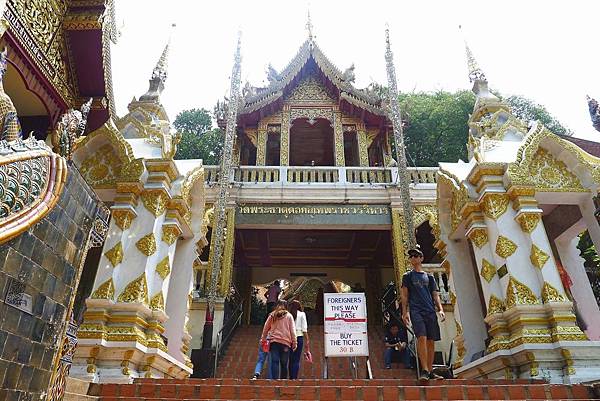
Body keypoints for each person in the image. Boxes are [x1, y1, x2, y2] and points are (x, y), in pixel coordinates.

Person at [401, 246, 446, 380]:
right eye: (411, 256)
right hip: (416, 310)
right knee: (421, 337)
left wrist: (441, 309)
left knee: (431, 340)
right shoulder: (408, 276)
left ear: (421, 258)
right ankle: (425, 369)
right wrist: (405, 312)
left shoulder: (429, 277)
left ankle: (431, 370)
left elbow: (435, 295)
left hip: (430, 310)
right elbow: (404, 295)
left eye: (416, 255)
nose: (413, 258)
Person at [260, 300, 297, 379]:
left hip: (274, 342)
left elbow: (265, 328)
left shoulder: (272, 315)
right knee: (284, 363)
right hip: (286, 343)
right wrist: (294, 342)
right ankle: (283, 381)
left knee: (275, 361)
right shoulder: (289, 316)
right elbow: (292, 330)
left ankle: (275, 380)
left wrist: (263, 339)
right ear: (286, 306)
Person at [288, 300, 310, 379]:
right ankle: (294, 378)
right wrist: (307, 339)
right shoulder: (302, 314)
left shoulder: (288, 314)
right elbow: (304, 329)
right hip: (299, 337)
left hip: (289, 338)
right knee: (296, 359)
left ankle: (290, 377)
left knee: (290, 359)